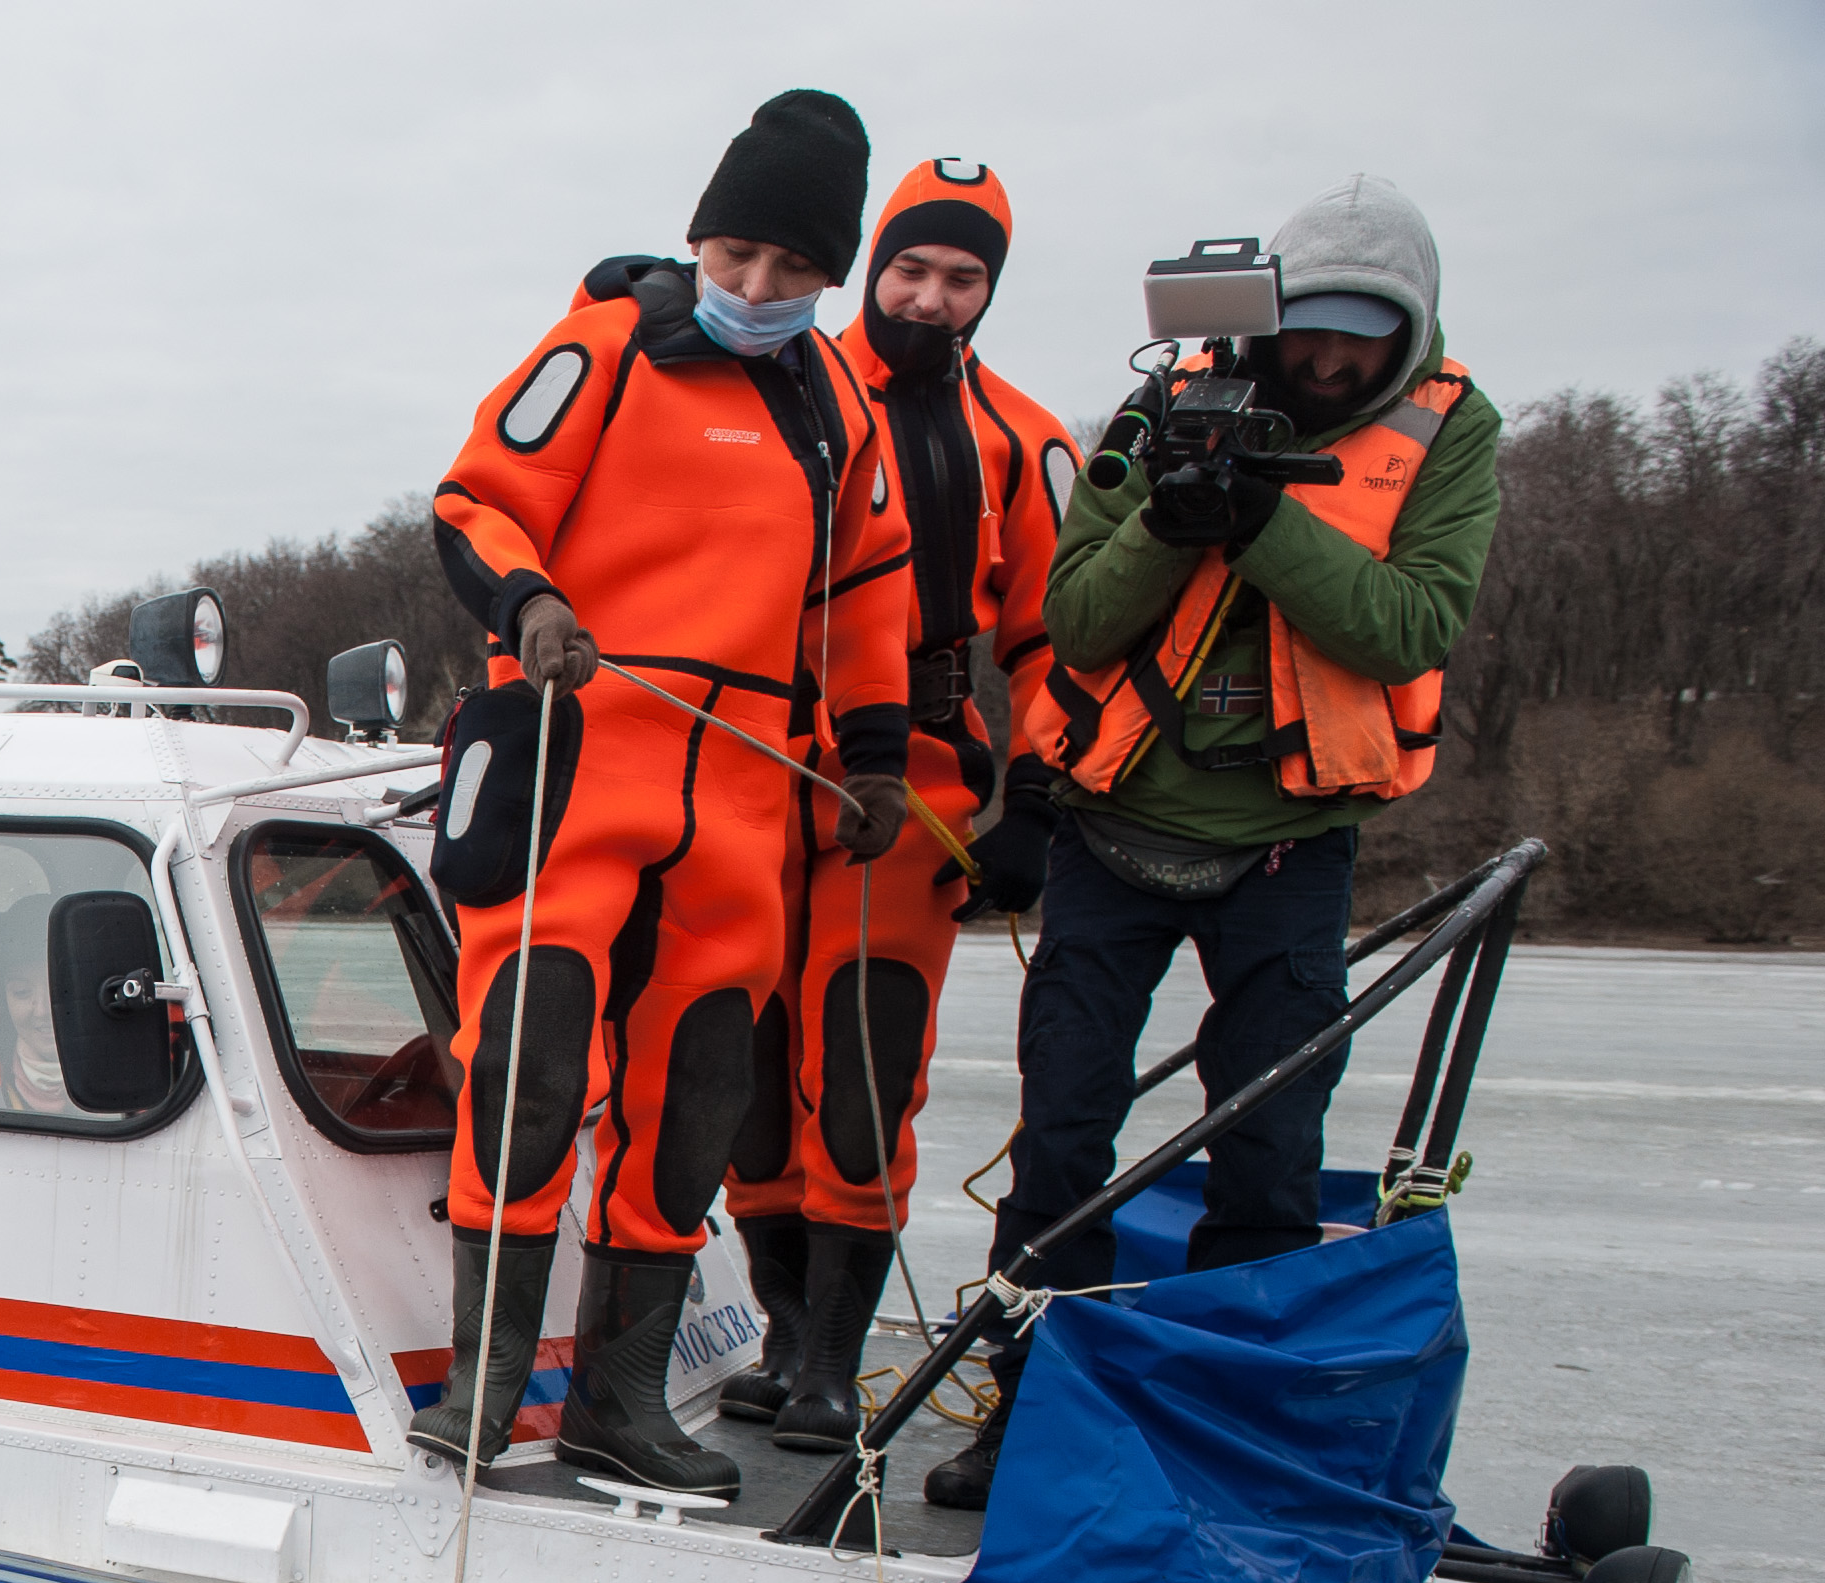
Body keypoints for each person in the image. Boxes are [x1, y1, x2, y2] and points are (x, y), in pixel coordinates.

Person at [935, 175, 1501, 1511]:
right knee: (1062, 1137)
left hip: (1291, 847)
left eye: (1362, 338)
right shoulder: (1167, 402)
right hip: (1112, 834)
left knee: (1267, 1151)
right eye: (1308, 329)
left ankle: (1231, 1436)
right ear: (1267, 316)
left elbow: (1413, 625)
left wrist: (1262, 524)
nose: (1326, 360)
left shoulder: (1449, 436)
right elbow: (1076, 623)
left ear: (1406, 338)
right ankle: (1025, 1417)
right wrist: (1169, 524)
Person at [417, 89, 915, 1497]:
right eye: (739, 256)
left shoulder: (842, 409)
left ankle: (619, 1403)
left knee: (698, 1097)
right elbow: (472, 503)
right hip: (582, 754)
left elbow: (869, 603)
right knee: (526, 1068)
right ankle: (486, 1386)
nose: (759, 290)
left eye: (796, 271)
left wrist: (873, 763)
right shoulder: (607, 346)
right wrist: (531, 605)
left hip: (744, 800)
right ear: (704, 236)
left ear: (833, 276)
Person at [720, 158, 1073, 1452]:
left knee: (862, 1081)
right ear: (873, 266)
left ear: (988, 290)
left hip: (917, 781)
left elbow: (1062, 643)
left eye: (960, 277)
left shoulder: (1022, 440)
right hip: (757, 760)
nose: (928, 297)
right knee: (742, 1069)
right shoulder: (772, 386)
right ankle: (776, 1327)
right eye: (910, 269)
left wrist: (1031, 794)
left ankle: (830, 1359)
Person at [0, 894, 88, 1115]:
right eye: (21, 992)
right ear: (5, 1000)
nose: (42, 1010)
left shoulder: (134, 1075)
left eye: (62, 989)